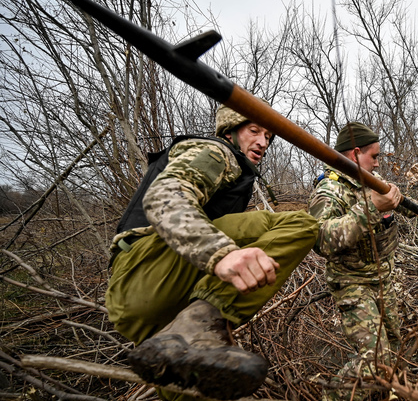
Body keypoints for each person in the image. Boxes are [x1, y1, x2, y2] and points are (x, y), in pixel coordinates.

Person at [105, 103, 319, 401]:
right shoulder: (216, 152)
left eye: (269, 136)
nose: (263, 142)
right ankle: (200, 322)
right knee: (300, 222)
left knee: (196, 386)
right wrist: (220, 253)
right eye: (254, 130)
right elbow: (165, 195)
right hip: (147, 271)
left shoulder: (237, 172)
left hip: (152, 308)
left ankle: (190, 330)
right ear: (230, 132)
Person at [308, 122, 418, 401]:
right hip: (353, 285)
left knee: (393, 351)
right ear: (355, 153)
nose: (378, 163)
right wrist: (371, 209)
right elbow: (321, 240)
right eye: (374, 156)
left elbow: (396, 197)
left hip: (383, 282)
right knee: (374, 361)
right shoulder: (330, 191)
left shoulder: (369, 181)